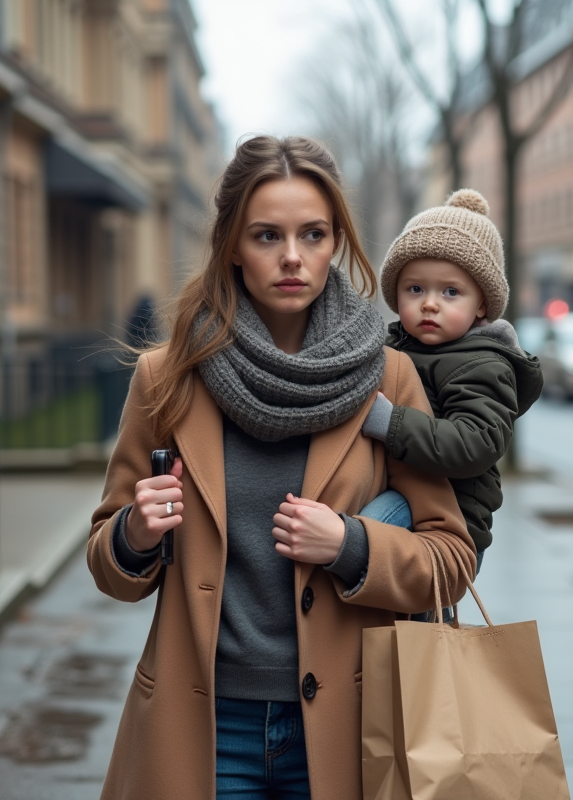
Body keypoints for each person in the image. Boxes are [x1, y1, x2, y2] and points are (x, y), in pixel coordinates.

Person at [86, 135, 475, 800]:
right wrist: (134, 534)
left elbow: (451, 559)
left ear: (335, 243)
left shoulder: (389, 377)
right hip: (204, 727)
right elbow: (109, 567)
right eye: (266, 235)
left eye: (313, 234)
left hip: (352, 726)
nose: (292, 257)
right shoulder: (167, 377)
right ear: (232, 245)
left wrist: (352, 546)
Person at [359, 189, 543, 568]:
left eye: (450, 291)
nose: (430, 302)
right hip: (407, 491)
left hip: (452, 512)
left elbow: (476, 441)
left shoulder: (482, 364)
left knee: (357, 536)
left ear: (482, 305)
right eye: (415, 289)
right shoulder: (395, 347)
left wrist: (391, 423)